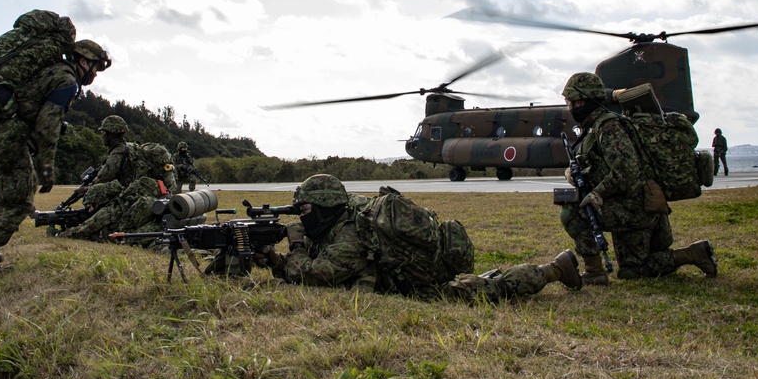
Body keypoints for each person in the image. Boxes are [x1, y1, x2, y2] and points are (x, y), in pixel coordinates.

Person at [255, 174, 582, 302]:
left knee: (487, 289)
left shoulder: (352, 233)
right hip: (397, 273)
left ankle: (555, 268)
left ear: (325, 208)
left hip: (419, 278)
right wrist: (278, 262)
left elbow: (321, 273)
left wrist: (294, 248)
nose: (302, 216)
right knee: (476, 285)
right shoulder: (339, 219)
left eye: (306, 210)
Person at [0, 37, 111, 277]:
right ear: (83, 61)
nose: (95, 74)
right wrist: (47, 165)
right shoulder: (66, 80)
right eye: (94, 67)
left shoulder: (52, 71)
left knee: (16, 190)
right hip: (4, 139)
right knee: (19, 203)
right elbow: (47, 125)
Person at [558, 72, 717, 285]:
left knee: (573, 212)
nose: (569, 107)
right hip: (641, 206)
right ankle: (694, 254)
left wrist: (598, 193)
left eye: (570, 102)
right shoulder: (598, 127)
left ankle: (594, 271)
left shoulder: (608, 127)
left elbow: (626, 171)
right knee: (633, 271)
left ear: (580, 101)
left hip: (635, 208)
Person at [56, 115, 143, 240]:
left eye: (103, 132)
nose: (102, 135)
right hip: (130, 193)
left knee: (94, 197)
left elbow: (104, 178)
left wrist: (87, 189)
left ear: (111, 134)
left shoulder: (118, 153)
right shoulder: (129, 148)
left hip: (121, 196)